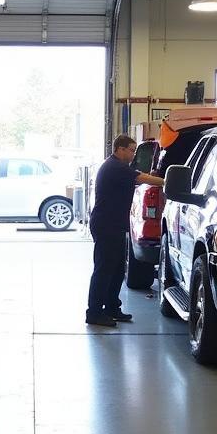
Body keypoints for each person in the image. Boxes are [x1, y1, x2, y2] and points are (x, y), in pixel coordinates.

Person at [86, 134, 163, 328]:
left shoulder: (117, 167)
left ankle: (112, 307)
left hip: (113, 225)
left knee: (117, 269)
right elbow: (143, 178)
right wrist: (169, 179)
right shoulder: (115, 167)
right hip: (106, 226)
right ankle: (94, 313)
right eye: (131, 150)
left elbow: (137, 177)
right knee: (104, 270)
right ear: (120, 149)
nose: (133, 154)